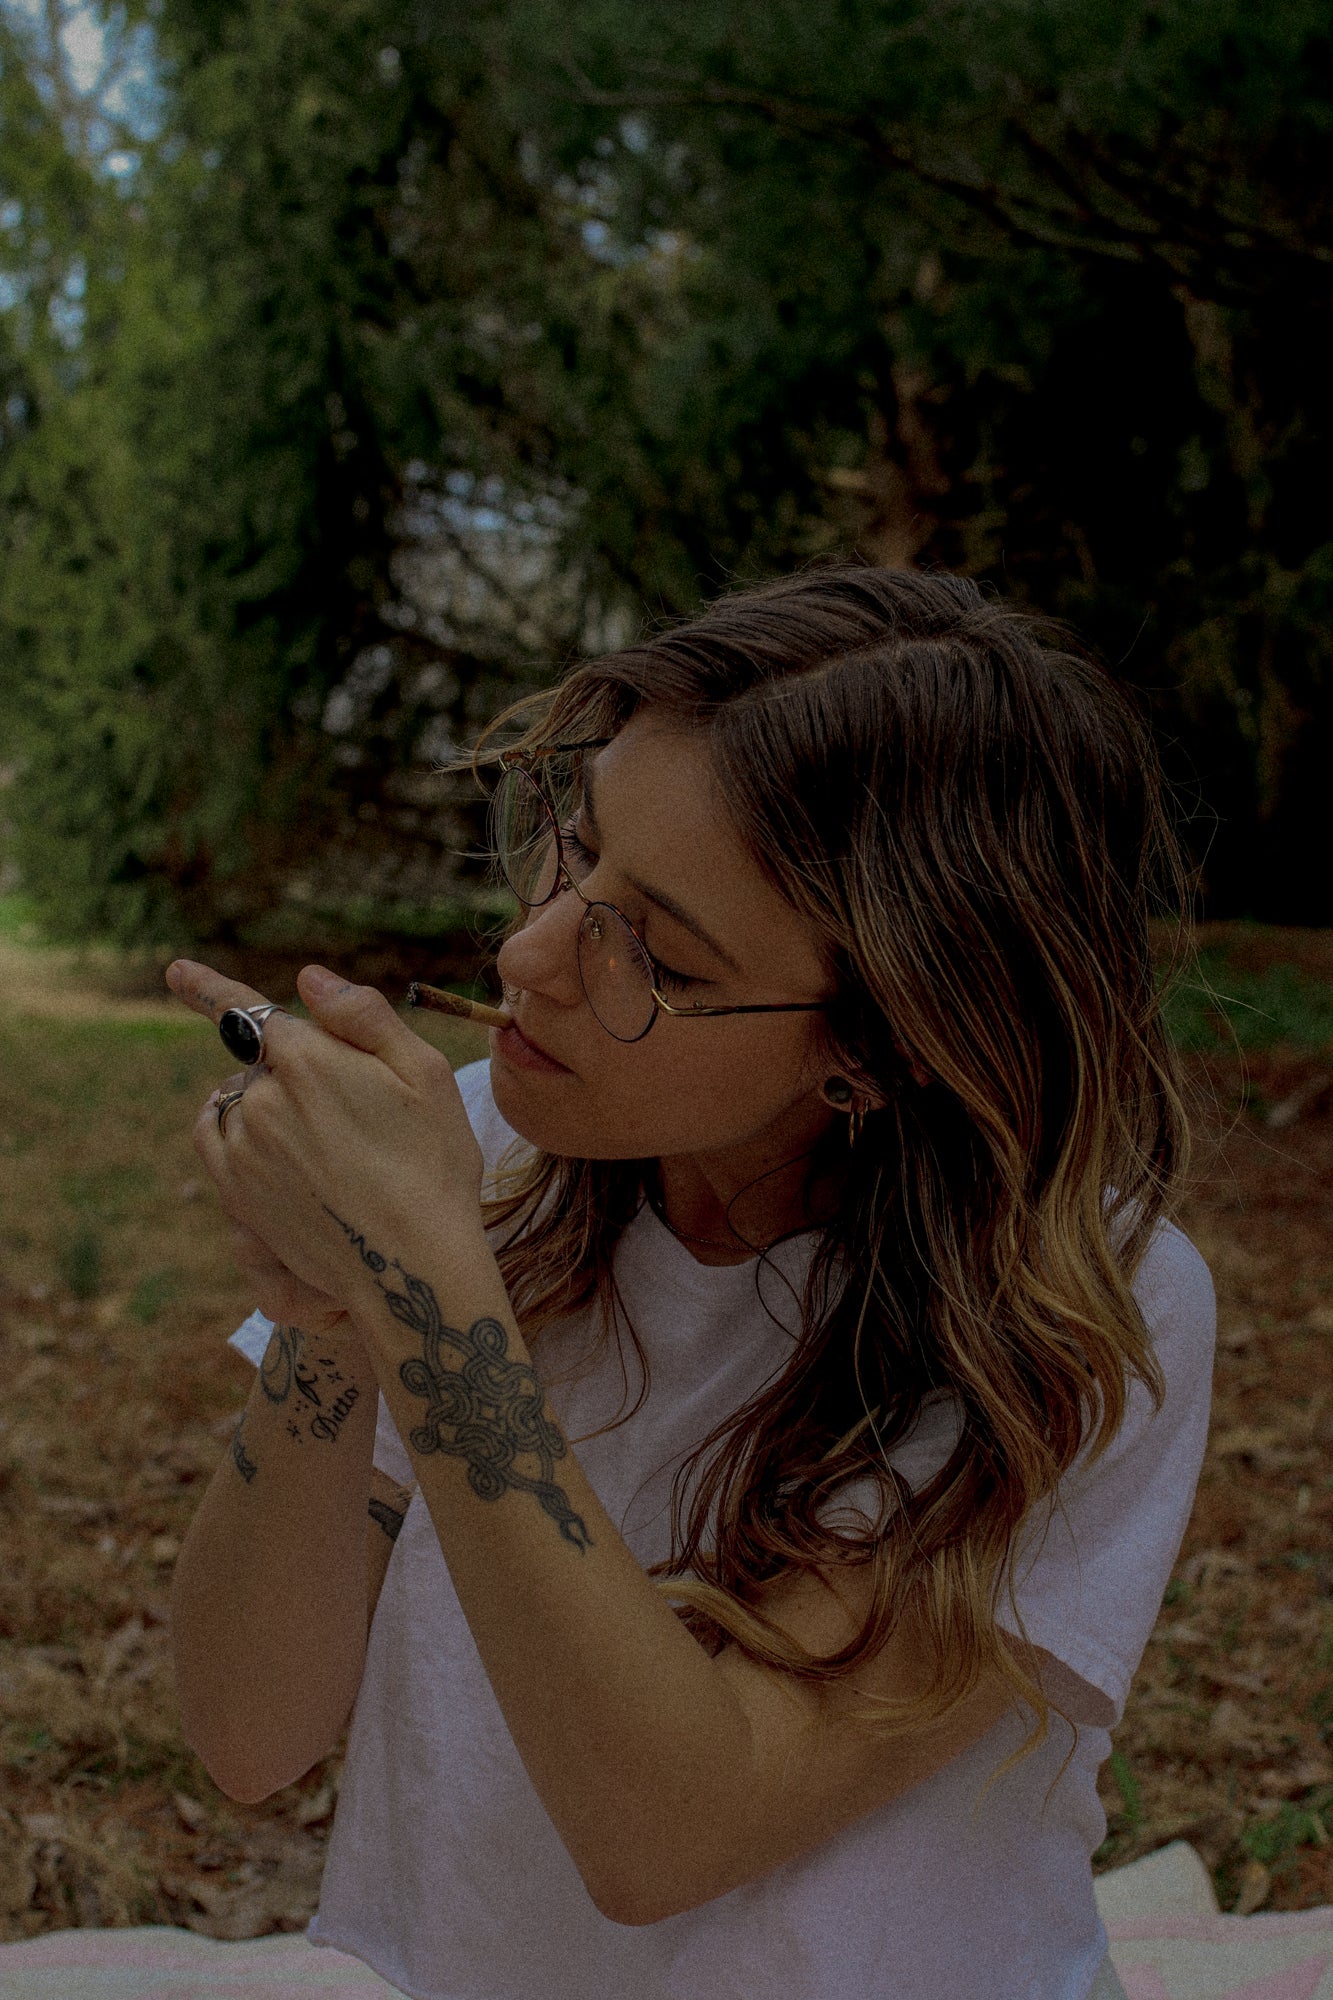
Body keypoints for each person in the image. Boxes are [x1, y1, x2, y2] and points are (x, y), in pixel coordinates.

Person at [169, 564, 1215, 2000]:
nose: (527, 953)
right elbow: (247, 1729)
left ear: (881, 1046)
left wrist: (422, 1288)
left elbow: (670, 1829)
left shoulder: (1086, 1306)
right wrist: (340, 1317)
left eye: (648, 952)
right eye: (569, 849)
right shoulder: (485, 1160)